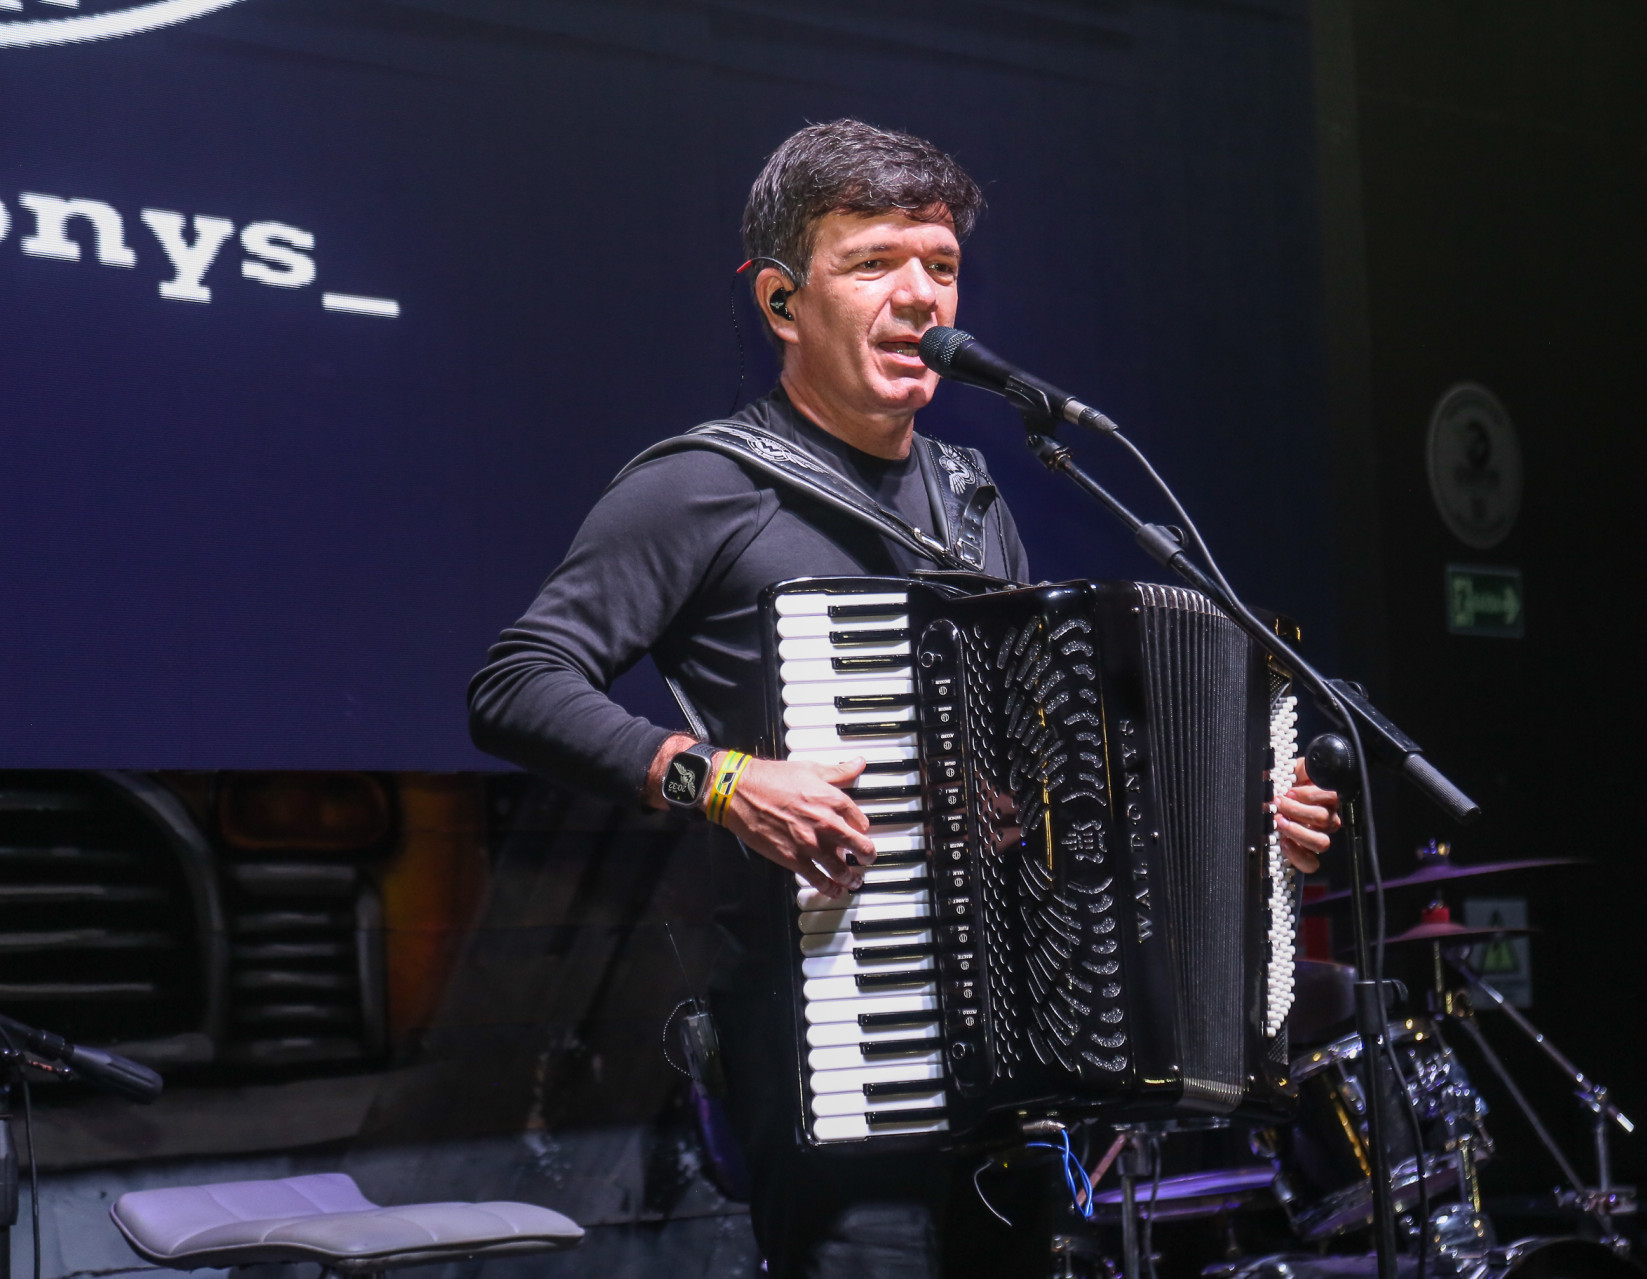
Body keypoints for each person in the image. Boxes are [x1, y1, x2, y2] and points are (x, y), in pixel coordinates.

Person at [469, 118, 1341, 1277]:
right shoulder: (704, 486)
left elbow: (1049, 779)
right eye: (874, 261)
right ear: (783, 301)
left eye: (941, 264)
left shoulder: (975, 503)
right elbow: (516, 682)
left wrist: (1240, 830)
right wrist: (720, 780)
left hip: (1015, 1065)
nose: (921, 294)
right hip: (834, 1049)